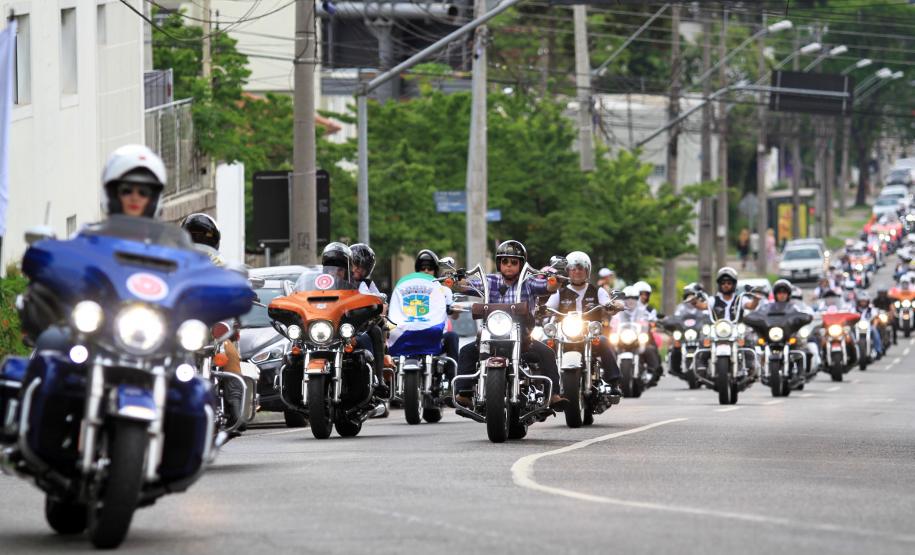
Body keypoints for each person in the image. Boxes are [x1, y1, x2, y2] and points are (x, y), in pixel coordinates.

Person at [453, 240, 563, 407]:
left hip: (523, 337)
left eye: (514, 262)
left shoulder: (528, 282)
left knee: (547, 353)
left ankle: (554, 395)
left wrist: (555, 280)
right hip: (491, 335)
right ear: (499, 264)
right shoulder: (490, 281)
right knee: (466, 351)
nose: (509, 265)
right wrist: (458, 280)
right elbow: (464, 286)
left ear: (521, 264)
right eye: (505, 261)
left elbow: (548, 287)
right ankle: (464, 393)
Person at [181, 213, 246, 429]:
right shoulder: (173, 261)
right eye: (193, 236)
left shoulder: (220, 263)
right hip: (181, 326)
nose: (198, 241)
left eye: (203, 236)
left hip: (211, 323)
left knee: (228, 350)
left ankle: (235, 406)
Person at [543, 251, 623, 397]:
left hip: (590, 335)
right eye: (573, 268)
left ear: (587, 270)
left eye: (580, 268)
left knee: (604, 341)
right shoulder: (560, 292)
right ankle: (543, 384)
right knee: (544, 345)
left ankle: (613, 382)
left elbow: (608, 303)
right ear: (567, 271)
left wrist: (613, 305)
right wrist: (541, 309)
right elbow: (548, 307)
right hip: (564, 335)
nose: (577, 271)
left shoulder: (597, 291)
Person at [323, 243, 388, 397]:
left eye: (362, 267)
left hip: (357, 325)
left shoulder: (366, 284)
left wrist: (378, 305)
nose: (358, 270)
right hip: (329, 325)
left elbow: (380, 303)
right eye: (355, 265)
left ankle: (378, 378)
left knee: (375, 331)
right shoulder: (330, 280)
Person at [413, 249, 460, 381]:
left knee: (452, 336)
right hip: (414, 336)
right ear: (418, 270)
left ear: (435, 271)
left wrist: (455, 309)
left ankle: (454, 383)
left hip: (438, 337)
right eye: (423, 268)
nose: (426, 271)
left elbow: (454, 316)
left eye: (430, 268)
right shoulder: (409, 291)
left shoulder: (444, 291)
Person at [610, 286, 662, 382]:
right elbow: (613, 322)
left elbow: (649, 320)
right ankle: (607, 373)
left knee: (649, 349)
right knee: (609, 349)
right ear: (624, 299)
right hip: (622, 338)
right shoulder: (618, 311)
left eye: (633, 298)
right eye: (628, 298)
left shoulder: (643, 311)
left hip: (637, 338)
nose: (630, 300)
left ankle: (651, 371)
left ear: (637, 299)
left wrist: (651, 323)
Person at [854, 291, 884, 358]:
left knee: (875, 331)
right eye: (861, 301)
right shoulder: (854, 309)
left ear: (867, 301)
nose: (863, 303)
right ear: (858, 302)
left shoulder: (871, 309)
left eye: (864, 301)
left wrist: (874, 325)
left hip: (868, 327)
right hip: (856, 327)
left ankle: (878, 350)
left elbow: (876, 318)